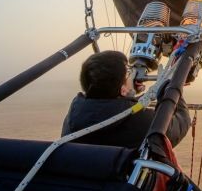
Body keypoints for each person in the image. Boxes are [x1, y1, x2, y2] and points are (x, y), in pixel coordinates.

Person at [61, 50, 191, 149]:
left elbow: (107, 109)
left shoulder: (73, 118)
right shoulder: (143, 122)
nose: (133, 73)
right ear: (122, 89)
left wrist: (129, 96)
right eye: (128, 72)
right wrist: (171, 86)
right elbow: (181, 123)